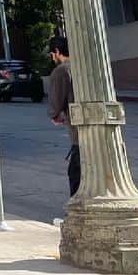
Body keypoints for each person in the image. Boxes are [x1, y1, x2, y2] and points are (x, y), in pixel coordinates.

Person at [47, 35, 81, 198]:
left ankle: (78, 213)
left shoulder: (61, 71)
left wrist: (55, 115)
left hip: (79, 134)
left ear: (57, 52)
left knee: (76, 175)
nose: (52, 58)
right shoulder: (82, 67)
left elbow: (55, 105)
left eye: (51, 55)